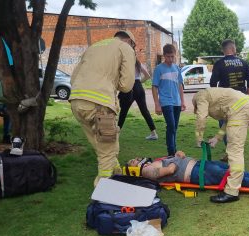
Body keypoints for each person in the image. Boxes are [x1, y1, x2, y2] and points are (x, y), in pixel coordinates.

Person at [69, 30, 136, 186]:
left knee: (101, 144)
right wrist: (111, 84)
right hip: (100, 103)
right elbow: (126, 86)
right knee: (107, 147)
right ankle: (103, 187)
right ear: (130, 42)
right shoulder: (125, 48)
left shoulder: (93, 47)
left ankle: (117, 173)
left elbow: (73, 78)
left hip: (77, 101)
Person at [192, 87, 249, 203]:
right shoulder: (213, 95)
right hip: (247, 107)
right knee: (235, 148)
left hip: (242, 110)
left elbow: (201, 117)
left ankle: (232, 192)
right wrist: (217, 138)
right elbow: (229, 119)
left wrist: (199, 137)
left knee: (234, 150)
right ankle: (236, 183)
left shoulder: (199, 97)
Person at [127, 151, 249, 189]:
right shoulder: (146, 171)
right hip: (196, 174)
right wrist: (174, 163)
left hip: (199, 166)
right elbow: (168, 170)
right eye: (131, 162)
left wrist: (178, 154)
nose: (134, 159)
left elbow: (174, 159)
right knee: (231, 177)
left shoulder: (154, 162)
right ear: (134, 170)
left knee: (232, 171)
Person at [210, 39, 249, 161]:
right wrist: (247, 96)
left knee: (224, 126)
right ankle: (234, 153)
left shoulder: (219, 64)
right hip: (241, 101)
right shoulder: (243, 63)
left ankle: (230, 152)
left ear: (223, 50)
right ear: (233, 49)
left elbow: (213, 83)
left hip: (225, 102)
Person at [117, 38, 158, 140]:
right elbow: (148, 75)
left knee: (123, 111)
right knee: (144, 110)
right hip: (139, 87)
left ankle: (116, 134)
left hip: (130, 87)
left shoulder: (126, 64)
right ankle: (154, 133)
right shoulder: (138, 63)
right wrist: (139, 82)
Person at [152, 44, 186, 156]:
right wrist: (157, 104)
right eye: (168, 56)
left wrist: (183, 101)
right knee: (171, 125)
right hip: (166, 102)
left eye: (173, 56)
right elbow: (154, 87)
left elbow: (180, 85)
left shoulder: (177, 68)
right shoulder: (158, 69)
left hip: (177, 102)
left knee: (174, 128)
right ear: (164, 56)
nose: (171, 59)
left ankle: (174, 151)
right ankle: (171, 152)